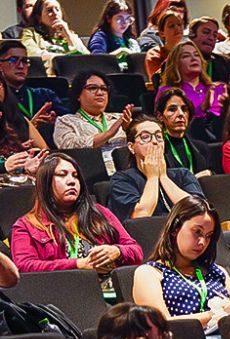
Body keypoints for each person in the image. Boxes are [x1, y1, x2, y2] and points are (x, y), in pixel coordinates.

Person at [133, 196, 230, 339]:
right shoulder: (149, 273)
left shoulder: (218, 272)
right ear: (174, 229)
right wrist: (216, 314)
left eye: (208, 236)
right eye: (197, 232)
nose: (202, 242)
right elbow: (164, 324)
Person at [10, 153, 141, 277]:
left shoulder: (99, 212)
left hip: (111, 288)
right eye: (62, 175)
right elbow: (24, 266)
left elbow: (136, 250)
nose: (71, 181)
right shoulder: (26, 225)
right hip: (65, 293)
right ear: (45, 182)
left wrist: (118, 251)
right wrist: (78, 265)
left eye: (75, 175)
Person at [108, 115, 204, 221]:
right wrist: (152, 178)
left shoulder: (183, 174)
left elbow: (198, 212)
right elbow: (140, 217)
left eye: (159, 137)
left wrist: (163, 177)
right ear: (131, 147)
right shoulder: (122, 179)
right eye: (145, 137)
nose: (154, 141)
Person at [54, 71, 132, 161]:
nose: (100, 93)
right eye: (92, 88)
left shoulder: (121, 118)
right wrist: (108, 134)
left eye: (104, 89)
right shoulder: (66, 121)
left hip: (126, 168)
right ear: (78, 95)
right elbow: (68, 147)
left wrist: (130, 131)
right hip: (89, 171)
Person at [157, 40, 226, 128]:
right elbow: (169, 124)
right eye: (186, 56)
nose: (194, 58)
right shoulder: (167, 92)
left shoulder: (217, 88)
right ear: (176, 64)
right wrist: (202, 109)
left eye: (196, 55)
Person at [0, 40, 68, 127]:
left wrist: (56, 121)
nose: (20, 66)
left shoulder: (45, 94)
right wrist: (31, 127)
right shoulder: (2, 99)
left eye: (24, 61)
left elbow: (69, 120)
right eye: (13, 60)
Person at [154, 87, 211, 176]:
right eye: (172, 109)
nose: (180, 114)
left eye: (184, 109)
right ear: (160, 116)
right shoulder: (156, 149)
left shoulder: (202, 148)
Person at [20, 0, 88, 75]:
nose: (55, 13)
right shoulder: (30, 33)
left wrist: (67, 33)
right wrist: (66, 59)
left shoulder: (70, 34)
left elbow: (86, 58)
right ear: (38, 17)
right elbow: (33, 55)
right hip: (47, 78)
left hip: (74, 77)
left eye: (57, 9)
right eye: (50, 10)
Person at [0, 72, 47, 172]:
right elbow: (7, 165)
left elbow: (45, 153)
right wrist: (3, 166)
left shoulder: (19, 120)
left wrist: (31, 161)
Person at [188, 16, 230, 86]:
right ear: (192, 34)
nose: (211, 38)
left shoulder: (224, 63)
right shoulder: (178, 60)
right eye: (206, 32)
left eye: (215, 35)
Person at [143, 11, 183, 81]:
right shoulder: (154, 54)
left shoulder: (191, 51)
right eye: (171, 26)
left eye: (179, 24)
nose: (177, 28)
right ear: (162, 33)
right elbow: (159, 80)